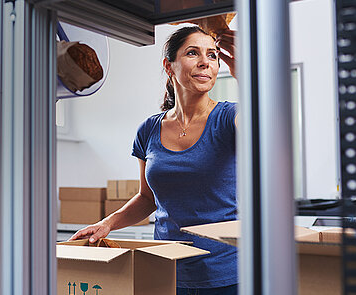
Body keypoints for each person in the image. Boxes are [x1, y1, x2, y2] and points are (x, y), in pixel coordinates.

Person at [69, 25, 238, 295]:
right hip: (166, 267)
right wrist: (106, 224)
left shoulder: (230, 118)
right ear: (169, 66)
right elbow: (147, 198)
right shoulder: (148, 130)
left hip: (227, 273)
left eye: (213, 55)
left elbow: (265, 138)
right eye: (193, 53)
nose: (205, 62)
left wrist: (246, 75)